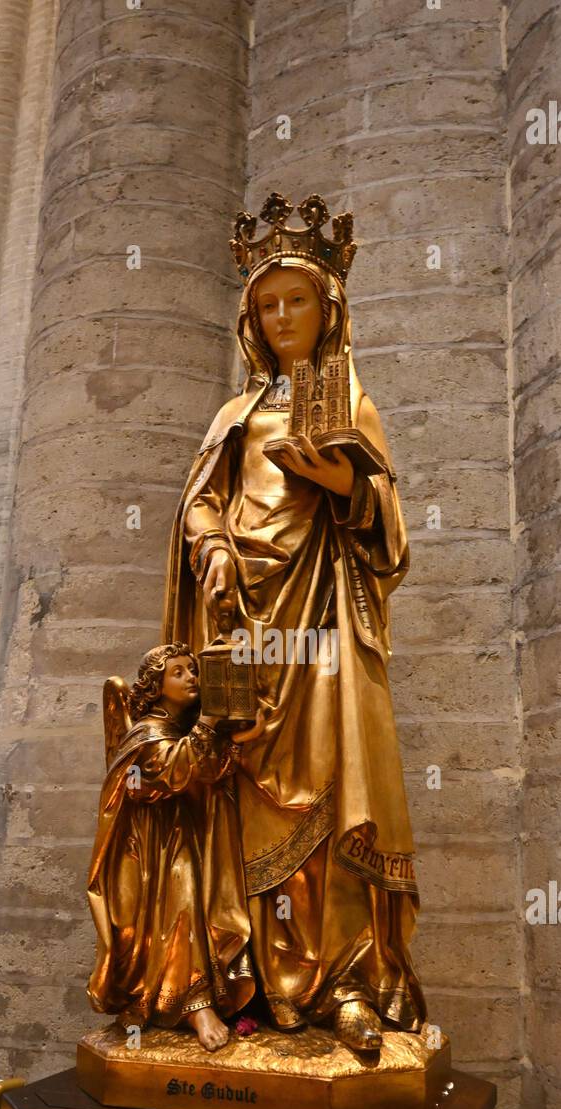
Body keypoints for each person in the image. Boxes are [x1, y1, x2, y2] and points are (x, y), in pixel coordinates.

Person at [163, 194, 427, 1054]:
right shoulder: (232, 417)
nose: (282, 319)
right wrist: (210, 546)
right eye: (267, 305)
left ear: (329, 309)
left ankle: (344, 983)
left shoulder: (346, 399)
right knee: (241, 795)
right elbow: (199, 504)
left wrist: (347, 485)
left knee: (334, 788)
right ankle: (246, 982)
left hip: (321, 632)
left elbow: (390, 535)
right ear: (253, 319)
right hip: (242, 624)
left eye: (297, 302)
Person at [86, 643, 264, 1051]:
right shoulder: (146, 732)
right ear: (156, 686)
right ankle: (195, 1005)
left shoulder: (182, 730)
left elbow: (207, 770)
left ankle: (173, 997)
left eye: (193, 671)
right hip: (148, 850)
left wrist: (243, 737)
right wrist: (209, 722)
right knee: (180, 903)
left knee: (191, 909)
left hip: (182, 836)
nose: (191, 679)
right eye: (178, 673)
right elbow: (173, 770)